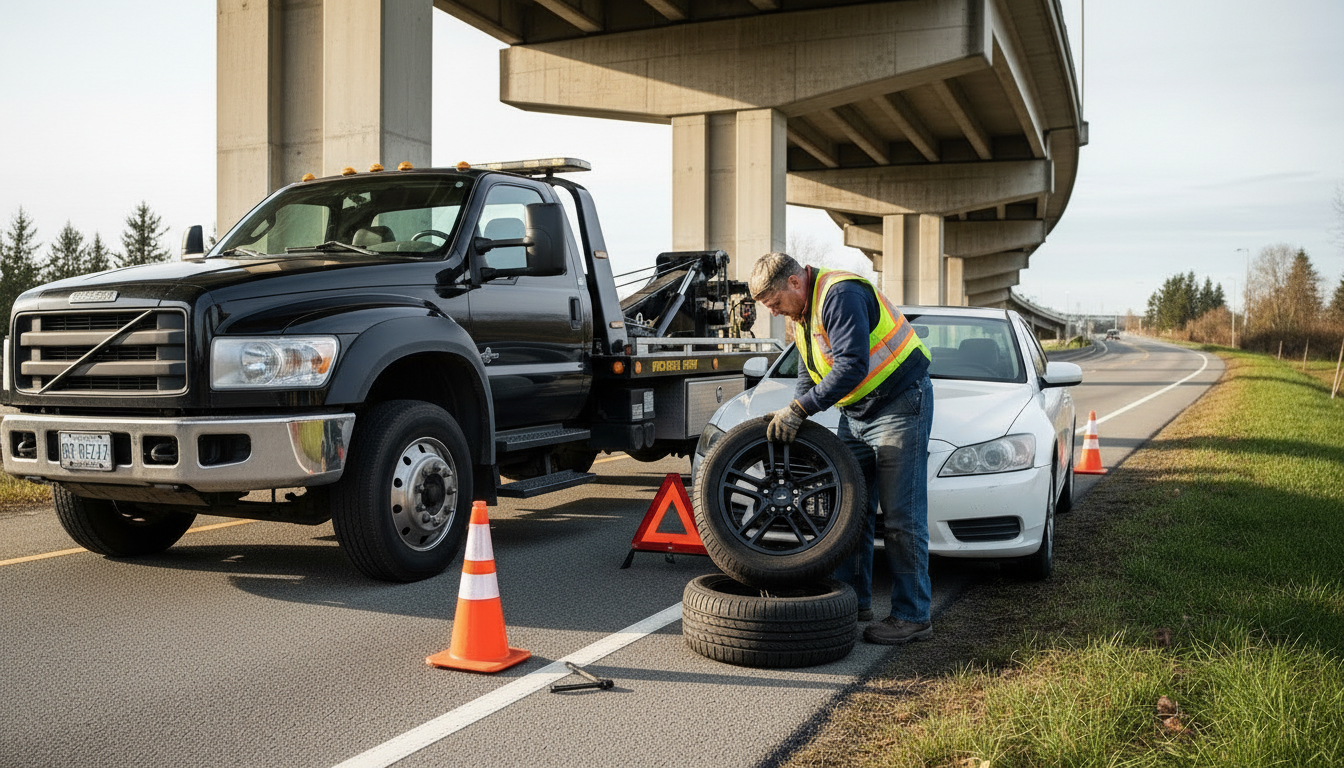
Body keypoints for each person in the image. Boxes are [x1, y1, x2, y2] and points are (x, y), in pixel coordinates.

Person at [748, 252, 935, 645]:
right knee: (850, 509)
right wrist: (801, 417)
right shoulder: (803, 313)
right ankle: (851, 603)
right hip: (857, 412)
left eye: (776, 303)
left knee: (901, 517)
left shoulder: (840, 294)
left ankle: (912, 616)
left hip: (899, 404)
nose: (778, 312)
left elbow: (850, 367)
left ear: (795, 283)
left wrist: (799, 409)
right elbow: (809, 370)